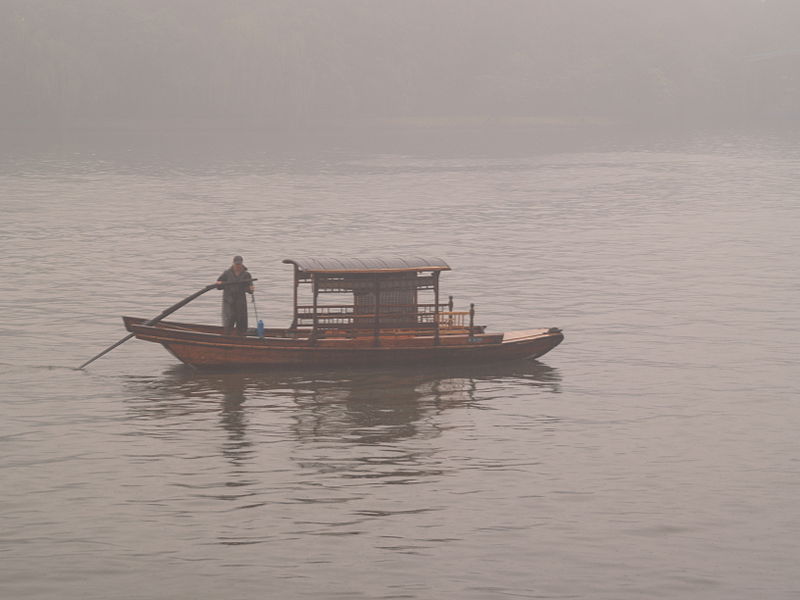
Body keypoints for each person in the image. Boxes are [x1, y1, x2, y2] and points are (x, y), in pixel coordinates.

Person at [215, 255, 254, 336]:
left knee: (241, 321)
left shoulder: (246, 275)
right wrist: (219, 284)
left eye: (239, 264)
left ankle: (241, 338)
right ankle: (227, 337)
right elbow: (219, 286)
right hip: (229, 301)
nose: (238, 266)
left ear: (242, 264)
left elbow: (249, 290)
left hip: (241, 302)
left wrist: (251, 289)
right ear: (233, 264)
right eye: (236, 264)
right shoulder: (227, 273)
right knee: (229, 320)